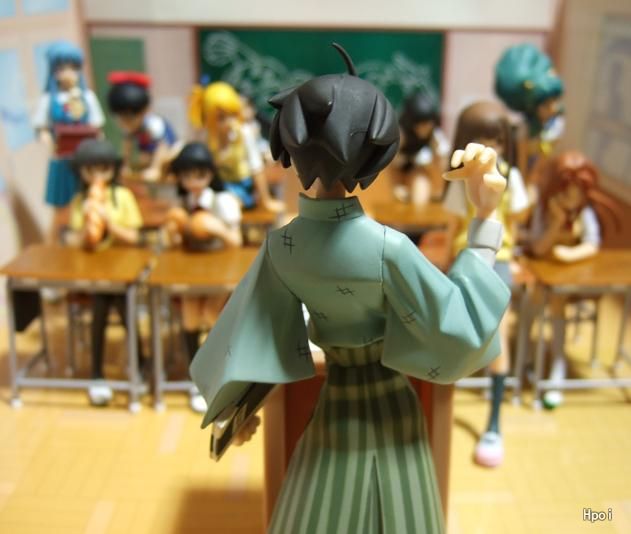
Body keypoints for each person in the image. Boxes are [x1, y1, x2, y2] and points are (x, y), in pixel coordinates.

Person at [190, 44, 510, 533]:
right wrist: (484, 218)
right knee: (402, 514)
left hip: (335, 408)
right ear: (373, 155)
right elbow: (458, 325)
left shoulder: (283, 246)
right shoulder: (387, 246)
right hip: (392, 407)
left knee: (319, 514)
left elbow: (259, 333)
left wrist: (237, 413)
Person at [443, 101, 530, 467]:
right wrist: (446, 261)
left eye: (496, 139)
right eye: (482, 138)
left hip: (499, 258)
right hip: (465, 257)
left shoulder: (509, 176)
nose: (491, 146)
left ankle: (494, 422)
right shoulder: (461, 177)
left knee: (498, 338)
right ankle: (439, 403)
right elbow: (452, 226)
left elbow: (515, 221)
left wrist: (515, 251)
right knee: (451, 332)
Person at [528, 150, 620, 408]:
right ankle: (526, 355)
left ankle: (557, 366)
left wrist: (569, 254)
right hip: (541, 274)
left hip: (566, 278)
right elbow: (537, 248)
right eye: (567, 192)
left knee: (558, 305)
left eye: (577, 193)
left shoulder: (584, 213)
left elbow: (592, 243)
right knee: (533, 303)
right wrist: (555, 224)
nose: (572, 199)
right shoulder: (544, 210)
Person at [164, 142, 242, 412]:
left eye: (200, 175)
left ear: (210, 174)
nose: (193, 182)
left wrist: (215, 229)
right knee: (189, 316)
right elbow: (177, 246)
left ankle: (217, 373)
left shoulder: (223, 202)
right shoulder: (182, 205)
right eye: (187, 176)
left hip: (221, 272)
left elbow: (236, 241)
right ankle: (195, 377)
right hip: (192, 273)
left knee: (211, 315)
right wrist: (174, 234)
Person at [65, 139, 144, 406]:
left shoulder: (123, 197)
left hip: (123, 269)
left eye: (104, 168)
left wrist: (109, 223)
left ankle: (140, 364)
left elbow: (134, 237)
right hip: (96, 271)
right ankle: (97, 373)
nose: (98, 175)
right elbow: (73, 240)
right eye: (91, 170)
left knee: (125, 308)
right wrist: (88, 226)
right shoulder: (81, 201)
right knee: (99, 309)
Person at [33, 41, 105, 242]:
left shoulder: (87, 97)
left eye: (74, 68)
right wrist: (48, 139)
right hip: (63, 159)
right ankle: (54, 246)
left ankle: (86, 239)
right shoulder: (50, 100)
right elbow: (41, 128)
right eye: (63, 68)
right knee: (62, 210)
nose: (69, 74)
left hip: (86, 160)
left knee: (90, 204)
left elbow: (97, 128)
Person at [189, 81, 284, 212]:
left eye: (233, 114)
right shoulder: (205, 138)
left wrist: (265, 200)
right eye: (221, 118)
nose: (229, 121)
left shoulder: (243, 134)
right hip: (215, 186)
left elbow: (256, 167)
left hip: (241, 186)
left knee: (228, 207)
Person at [495, 43, 565, 188]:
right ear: (534, 107)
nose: (553, 108)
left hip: (541, 177)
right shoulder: (524, 130)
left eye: (555, 101)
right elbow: (521, 164)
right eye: (545, 105)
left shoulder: (555, 127)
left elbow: (544, 159)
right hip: (519, 176)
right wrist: (524, 186)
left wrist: (535, 179)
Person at [107, 71, 181, 181]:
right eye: (119, 118)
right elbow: (127, 146)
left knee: (169, 157)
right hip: (149, 153)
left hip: (169, 151)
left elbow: (163, 146)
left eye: (129, 118)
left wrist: (155, 168)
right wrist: (124, 166)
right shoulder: (130, 128)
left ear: (144, 111)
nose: (124, 123)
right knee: (143, 159)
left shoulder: (153, 123)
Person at [395, 91, 449, 204]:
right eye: (421, 124)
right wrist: (396, 185)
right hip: (398, 169)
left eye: (428, 124)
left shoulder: (435, 136)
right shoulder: (401, 135)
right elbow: (390, 164)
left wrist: (439, 185)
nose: (425, 128)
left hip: (418, 168)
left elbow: (441, 160)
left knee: (420, 185)